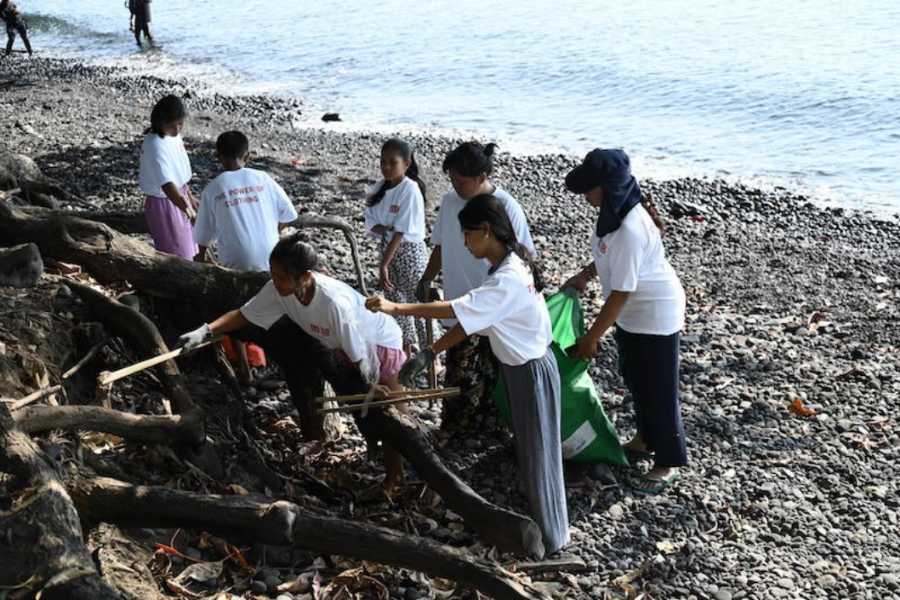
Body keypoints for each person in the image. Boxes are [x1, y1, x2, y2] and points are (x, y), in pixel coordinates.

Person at [366, 193, 569, 554]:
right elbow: (472, 321)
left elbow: (455, 309)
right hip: (526, 369)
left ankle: (552, 540)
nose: (464, 243)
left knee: (540, 455)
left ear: (486, 231)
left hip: (531, 372)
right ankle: (545, 526)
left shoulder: (506, 278)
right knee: (533, 453)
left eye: (467, 235)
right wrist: (430, 352)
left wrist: (395, 306)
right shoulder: (507, 266)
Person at [178, 235, 410, 494]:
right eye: (273, 274)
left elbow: (357, 349)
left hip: (377, 343)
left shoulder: (332, 302)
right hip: (346, 348)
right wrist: (205, 331)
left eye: (281, 276)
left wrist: (371, 384)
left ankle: (399, 473)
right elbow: (244, 314)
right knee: (372, 406)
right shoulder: (279, 290)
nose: (275, 282)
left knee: (390, 409)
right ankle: (391, 464)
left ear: (306, 277)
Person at [562, 148, 687, 495]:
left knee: (659, 388)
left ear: (609, 186)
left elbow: (621, 292)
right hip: (632, 315)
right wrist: (584, 276)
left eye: (590, 188)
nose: (585, 195)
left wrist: (591, 337)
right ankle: (646, 438)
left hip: (655, 313)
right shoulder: (612, 213)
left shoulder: (632, 226)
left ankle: (668, 460)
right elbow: (606, 258)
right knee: (635, 377)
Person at [418, 141, 535, 428]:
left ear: (482, 176)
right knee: (460, 377)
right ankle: (457, 431)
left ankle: (494, 431)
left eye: (461, 181)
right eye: (452, 180)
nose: (455, 186)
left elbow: (525, 258)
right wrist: (427, 277)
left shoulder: (506, 207)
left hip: (497, 309)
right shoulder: (449, 202)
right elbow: (441, 245)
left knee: (496, 377)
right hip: (461, 304)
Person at [193, 130, 298, 383]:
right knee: (279, 306)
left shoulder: (212, 189)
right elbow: (289, 215)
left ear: (218, 157)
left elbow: (202, 238)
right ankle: (285, 361)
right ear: (247, 156)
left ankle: (245, 371)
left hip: (235, 263)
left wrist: (201, 257)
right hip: (271, 261)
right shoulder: (263, 178)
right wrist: (272, 231)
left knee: (236, 309)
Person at [363, 138, 429, 354]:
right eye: (383, 162)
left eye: (393, 162)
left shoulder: (410, 189)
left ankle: (433, 353)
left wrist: (383, 265)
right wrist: (386, 230)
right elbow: (371, 220)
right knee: (395, 302)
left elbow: (400, 232)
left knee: (418, 303)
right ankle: (407, 349)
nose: (387, 168)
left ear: (407, 164)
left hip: (408, 253)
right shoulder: (380, 187)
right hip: (388, 249)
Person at [139, 94, 198, 260]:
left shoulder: (173, 136)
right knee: (178, 253)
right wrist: (189, 211)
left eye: (180, 124)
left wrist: (190, 197)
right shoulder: (154, 145)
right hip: (165, 203)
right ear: (160, 123)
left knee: (191, 247)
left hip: (180, 196)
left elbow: (178, 174)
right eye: (172, 125)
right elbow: (167, 185)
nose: (177, 129)